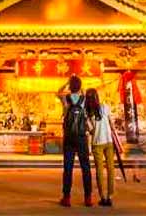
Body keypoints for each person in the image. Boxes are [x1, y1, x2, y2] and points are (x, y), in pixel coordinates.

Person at [57, 75, 92, 207]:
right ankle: (88, 198)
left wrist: (66, 83)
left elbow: (58, 92)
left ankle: (66, 198)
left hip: (69, 137)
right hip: (82, 137)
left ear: (70, 87)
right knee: (85, 167)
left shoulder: (65, 98)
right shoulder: (84, 100)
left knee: (68, 168)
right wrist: (81, 88)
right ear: (80, 87)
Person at [85, 88, 115, 207]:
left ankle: (102, 197)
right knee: (111, 169)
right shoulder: (105, 107)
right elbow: (111, 124)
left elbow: (91, 131)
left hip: (97, 143)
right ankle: (110, 196)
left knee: (99, 170)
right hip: (109, 141)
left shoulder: (87, 113)